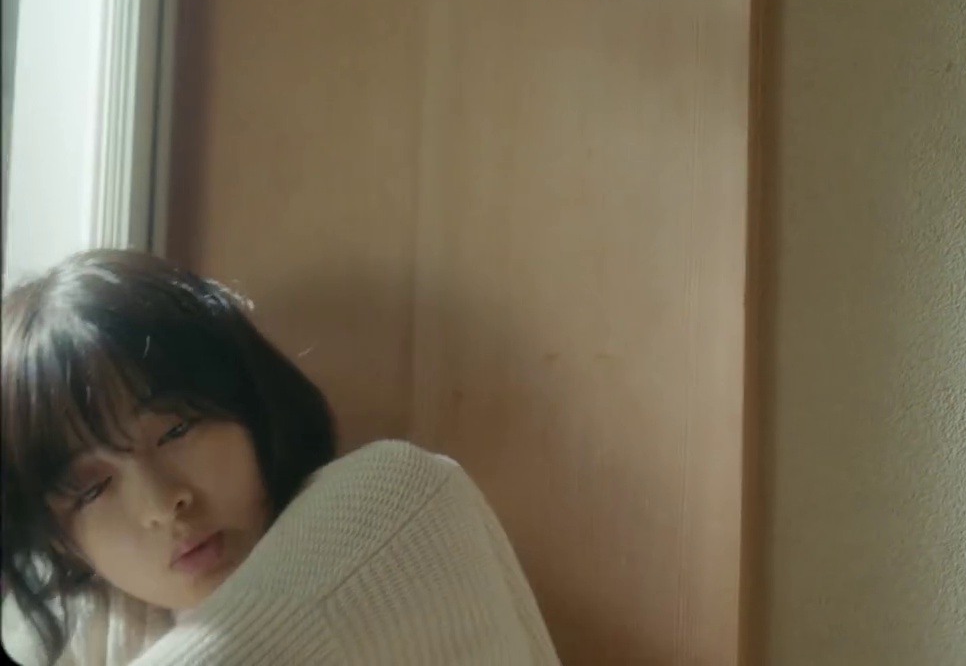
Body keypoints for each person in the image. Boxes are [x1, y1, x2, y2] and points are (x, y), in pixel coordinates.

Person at [1, 251, 560, 665]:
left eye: (177, 429)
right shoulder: (86, 623)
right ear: (59, 539)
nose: (162, 503)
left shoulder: (398, 499)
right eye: (93, 488)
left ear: (249, 401)